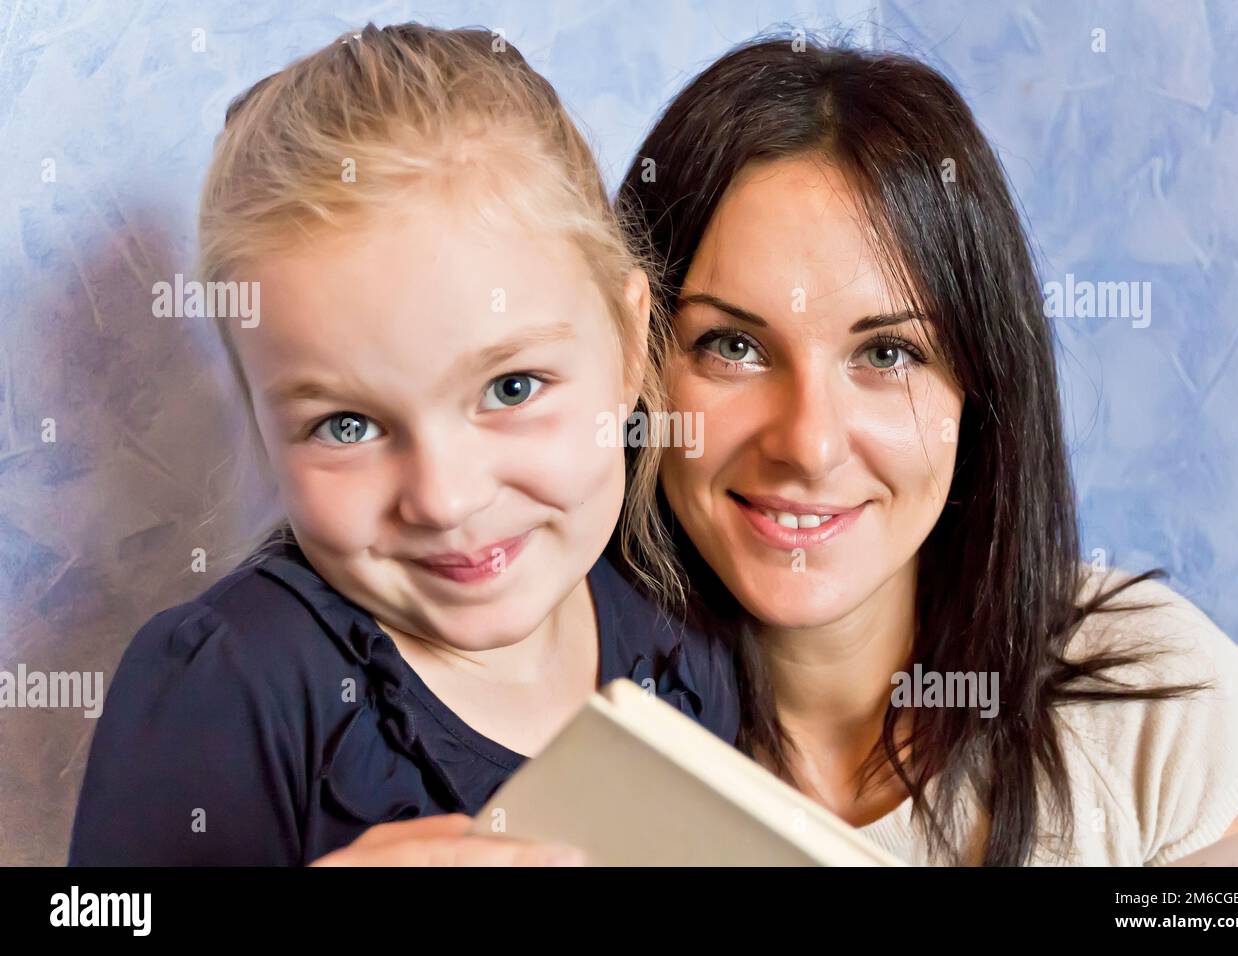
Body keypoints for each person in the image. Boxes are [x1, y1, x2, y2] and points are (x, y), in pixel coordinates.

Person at [613, 36, 1238, 865]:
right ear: (630, 364)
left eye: (888, 354)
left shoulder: (1153, 713)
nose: (809, 443)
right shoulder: (554, 743)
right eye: (733, 346)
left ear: (978, 389)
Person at [67, 22, 737, 867]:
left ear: (631, 345)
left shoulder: (682, 659)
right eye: (346, 426)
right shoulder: (231, 685)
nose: (445, 498)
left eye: (511, 388)